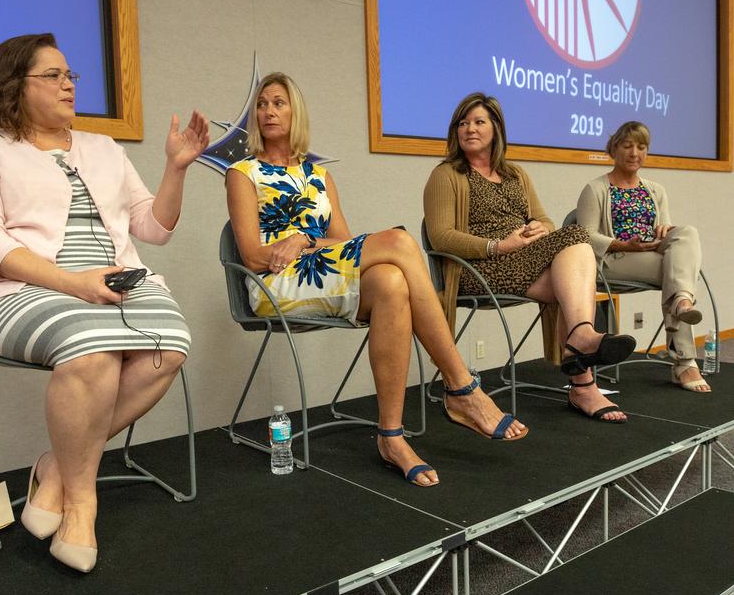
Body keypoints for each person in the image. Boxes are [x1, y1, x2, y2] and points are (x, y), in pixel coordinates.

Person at [0, 33, 209, 572]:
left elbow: (153, 227)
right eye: (54, 75)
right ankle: (83, 502)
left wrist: (176, 167)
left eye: (71, 76)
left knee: (170, 344)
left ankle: (58, 470)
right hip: (10, 290)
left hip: (110, 286)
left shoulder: (102, 147)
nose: (69, 85)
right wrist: (73, 283)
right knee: (92, 351)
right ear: (14, 84)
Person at [226, 73, 528, 489]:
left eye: (279, 102)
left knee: (390, 281)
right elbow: (249, 254)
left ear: (296, 112)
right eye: (262, 104)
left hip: (319, 271)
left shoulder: (318, 176)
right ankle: (462, 386)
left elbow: (342, 241)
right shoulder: (243, 173)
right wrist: (292, 247)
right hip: (274, 284)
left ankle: (391, 436)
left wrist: (304, 238)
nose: (268, 111)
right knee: (401, 242)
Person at [423, 92, 635, 423]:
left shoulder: (516, 174)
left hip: (522, 261)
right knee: (576, 244)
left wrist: (538, 228)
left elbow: (546, 221)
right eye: (462, 123)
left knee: (570, 273)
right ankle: (583, 376)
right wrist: (498, 245)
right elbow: (441, 237)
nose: (470, 129)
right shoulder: (446, 175)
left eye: (479, 122)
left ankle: (581, 355)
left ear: (496, 128)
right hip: (476, 269)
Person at [577, 121, 708, 393]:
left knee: (687, 234)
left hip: (651, 253)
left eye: (641, 146)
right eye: (627, 145)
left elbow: (667, 231)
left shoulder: (656, 190)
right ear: (613, 149)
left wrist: (663, 229)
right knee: (680, 271)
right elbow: (585, 235)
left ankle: (681, 302)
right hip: (615, 259)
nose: (634, 152)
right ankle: (685, 360)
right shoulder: (595, 189)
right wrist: (623, 244)